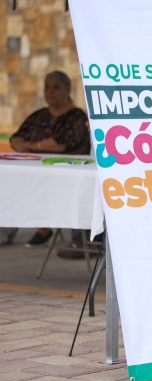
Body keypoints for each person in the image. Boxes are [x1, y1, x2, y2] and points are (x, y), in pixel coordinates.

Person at [9, 71, 90, 248]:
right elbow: (17, 137)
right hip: (37, 171)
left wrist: (33, 146)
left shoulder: (76, 116)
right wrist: (23, 146)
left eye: (56, 87)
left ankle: (77, 237)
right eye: (47, 87)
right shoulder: (40, 115)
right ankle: (14, 228)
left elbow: (63, 143)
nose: (50, 91)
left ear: (68, 89)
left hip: (68, 173)